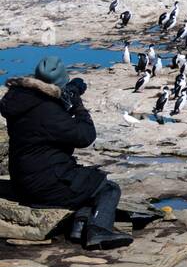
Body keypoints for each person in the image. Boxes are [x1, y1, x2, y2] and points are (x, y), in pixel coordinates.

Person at [1, 56, 131, 250]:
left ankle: (78, 228)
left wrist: (63, 100)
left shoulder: (22, 100)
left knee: (84, 186)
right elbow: (86, 137)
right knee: (106, 187)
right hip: (44, 185)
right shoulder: (48, 111)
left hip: (23, 179)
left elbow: (41, 128)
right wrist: (77, 105)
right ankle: (98, 231)